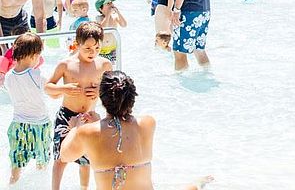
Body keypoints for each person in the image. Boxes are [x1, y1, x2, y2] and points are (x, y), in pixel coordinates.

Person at [59, 71, 213, 190]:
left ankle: (197, 184)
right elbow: (119, 136)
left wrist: (75, 128)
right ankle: (198, 183)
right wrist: (98, 123)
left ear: (102, 99)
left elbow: (65, 156)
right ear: (132, 97)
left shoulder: (86, 133)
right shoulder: (147, 123)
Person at [45, 22, 113, 190]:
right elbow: (48, 87)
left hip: (90, 116)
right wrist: (63, 88)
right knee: (61, 157)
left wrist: (99, 90)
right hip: (67, 115)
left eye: (97, 48)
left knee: (86, 160)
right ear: (77, 43)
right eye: (88, 48)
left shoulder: (104, 64)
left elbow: (112, 90)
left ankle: (84, 188)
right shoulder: (66, 64)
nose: (93, 52)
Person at [5, 33, 52, 185]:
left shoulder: (8, 76)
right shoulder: (36, 74)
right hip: (40, 124)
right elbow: (53, 91)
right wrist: (69, 89)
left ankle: (11, 185)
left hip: (18, 124)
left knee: (17, 162)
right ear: (33, 55)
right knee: (42, 162)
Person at [95, 0, 127, 64]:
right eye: (108, 3)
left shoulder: (114, 16)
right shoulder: (99, 18)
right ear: (101, 9)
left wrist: (118, 13)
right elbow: (102, 28)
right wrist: (108, 15)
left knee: (113, 67)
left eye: (111, 2)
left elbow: (124, 25)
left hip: (113, 49)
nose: (111, 5)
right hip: (102, 50)